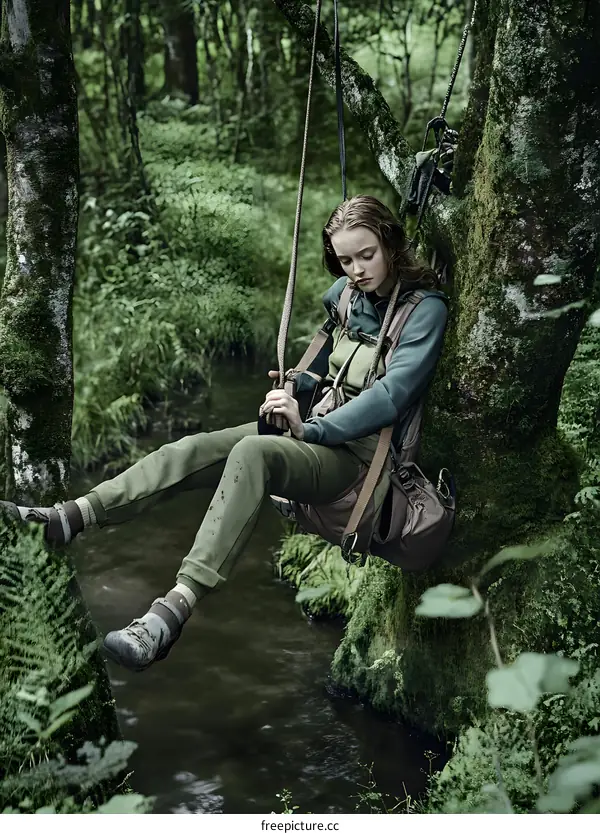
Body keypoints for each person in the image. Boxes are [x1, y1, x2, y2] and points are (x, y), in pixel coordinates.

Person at [0, 195, 448, 673]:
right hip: (315, 433)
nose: (356, 270)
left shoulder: (424, 311)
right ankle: (65, 519)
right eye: (344, 260)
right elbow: (323, 370)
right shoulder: (345, 297)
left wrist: (311, 427)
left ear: (390, 244)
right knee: (192, 449)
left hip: (360, 461)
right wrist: (293, 391)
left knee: (253, 453)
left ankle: (170, 613)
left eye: (366, 255)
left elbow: (392, 396)